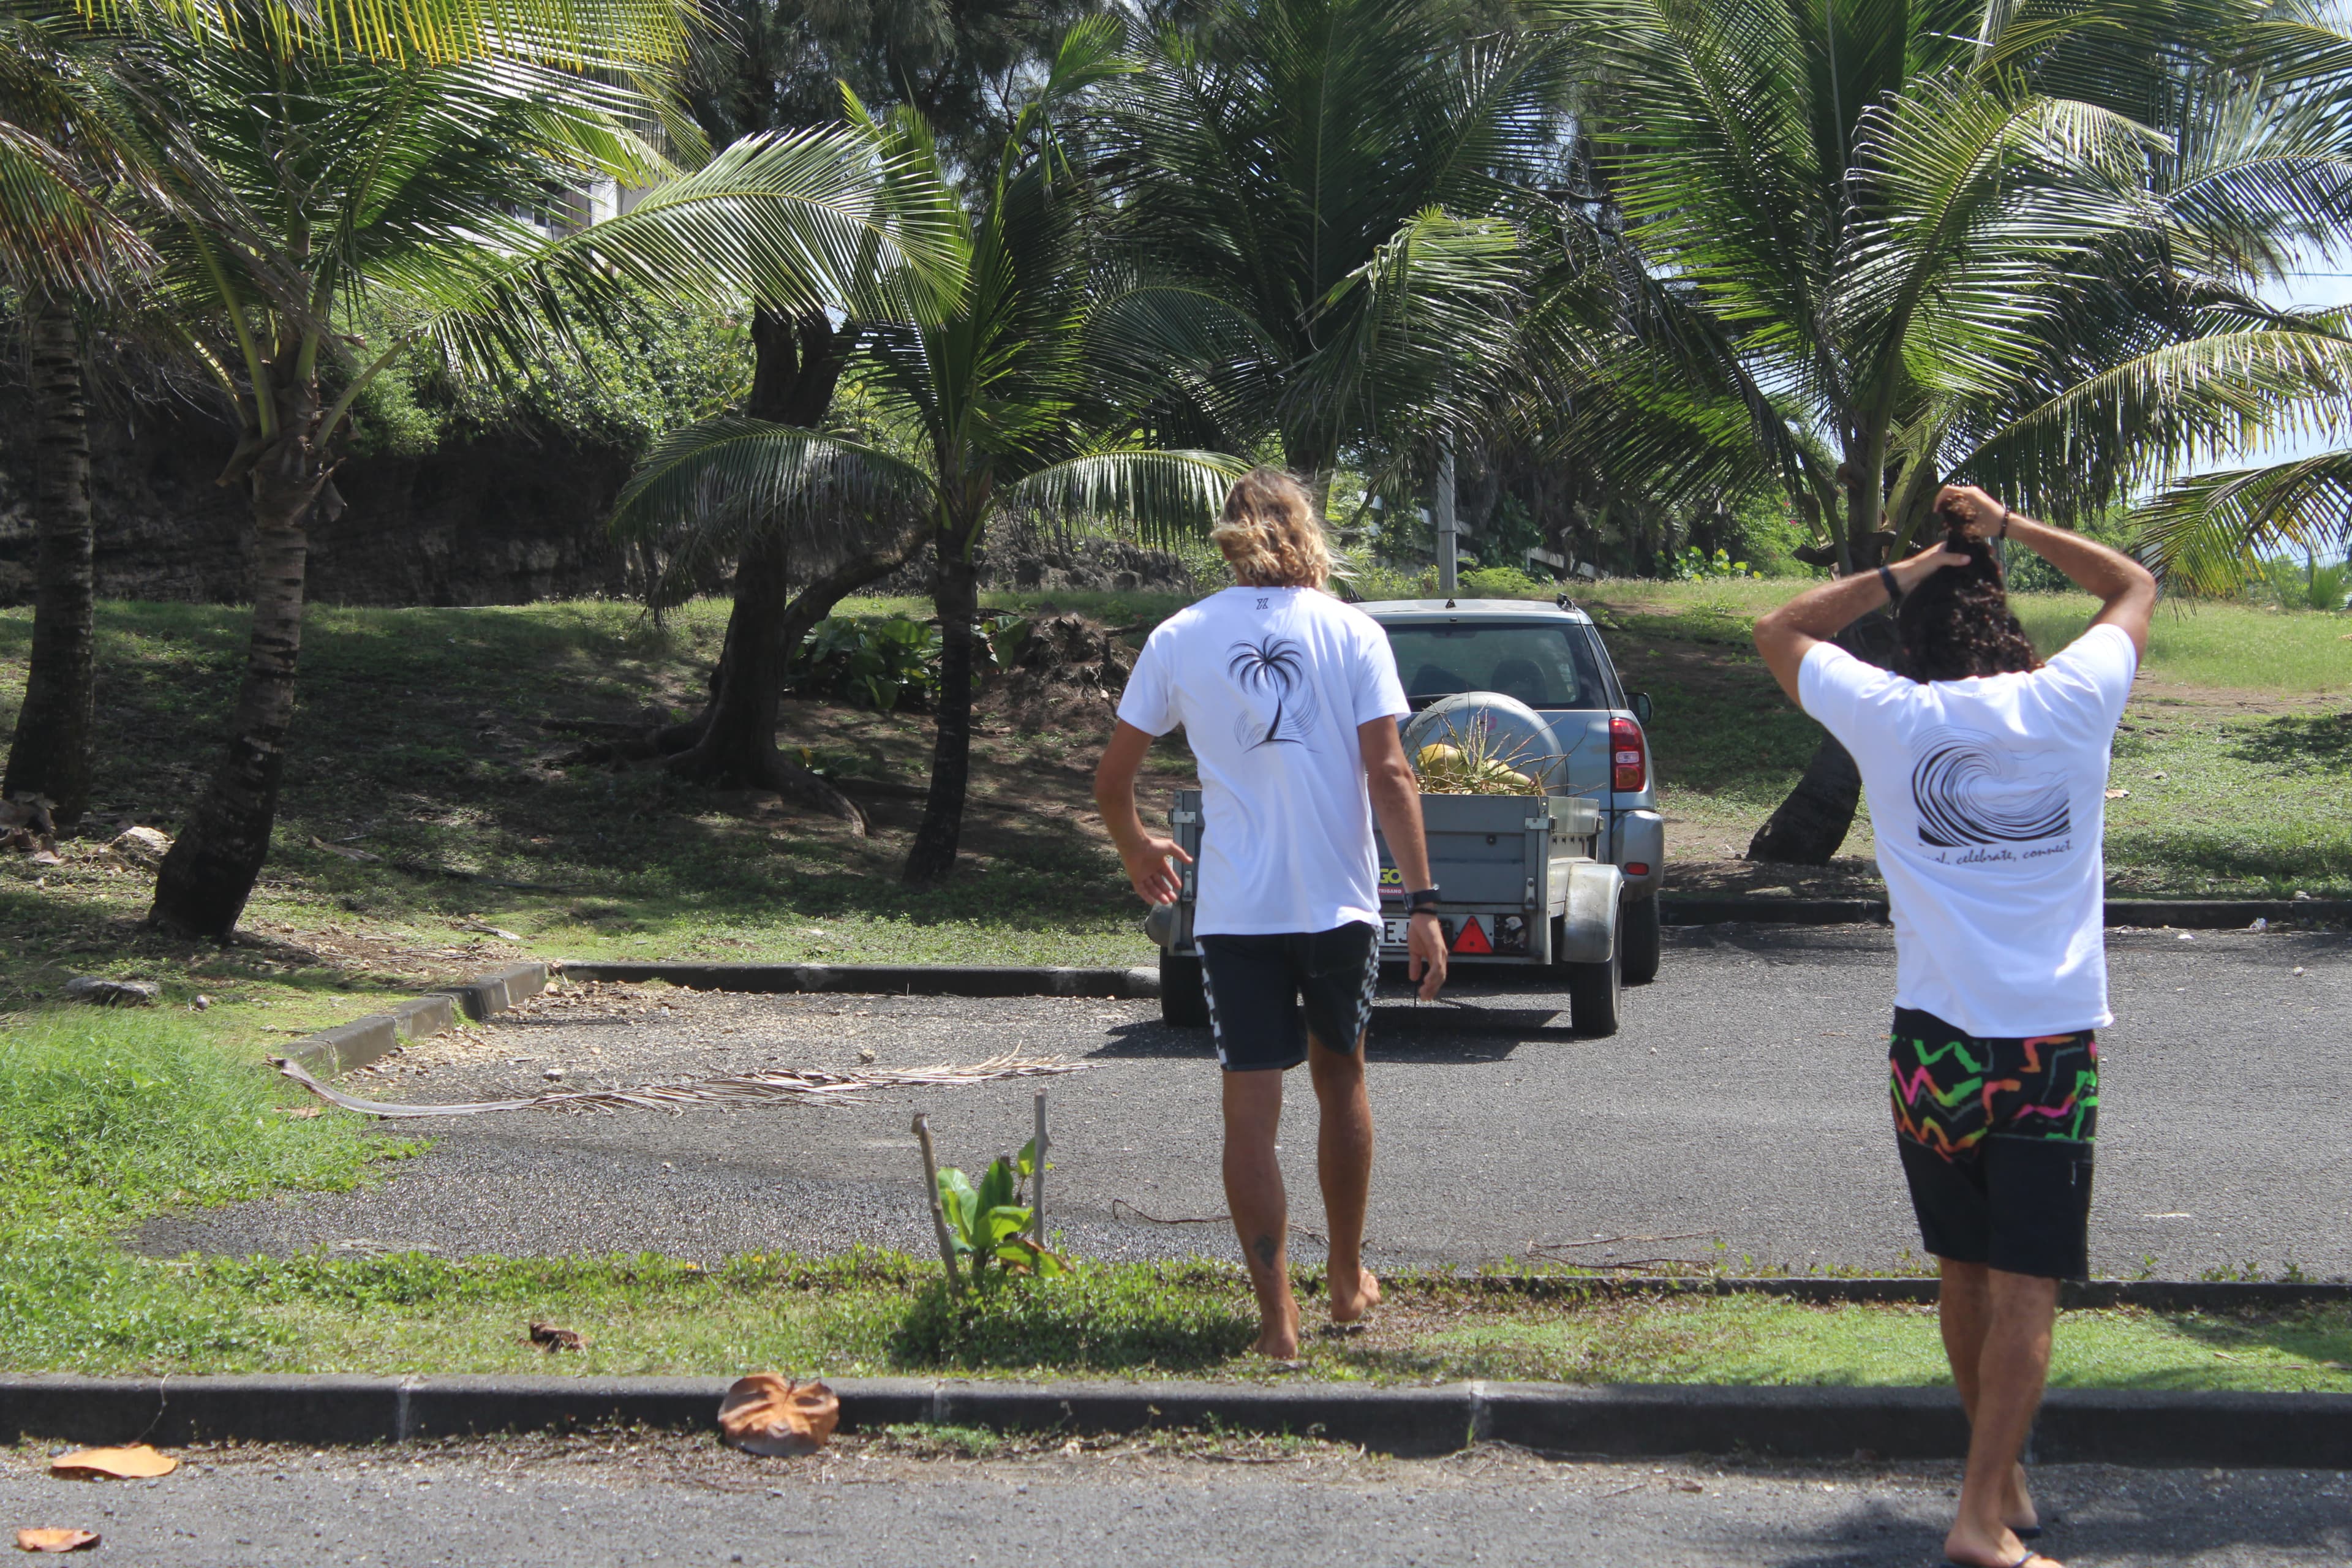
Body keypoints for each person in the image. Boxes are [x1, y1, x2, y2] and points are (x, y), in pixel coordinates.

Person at [1753, 484, 2157, 1568]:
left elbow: (1780, 630)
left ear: (1918, 640)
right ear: (2012, 629)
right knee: (2027, 1283)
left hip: (1931, 1050)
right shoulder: (2075, 699)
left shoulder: (1894, 716)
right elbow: (2132, 584)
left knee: (1964, 1274)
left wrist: (1919, 561)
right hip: (2046, 1047)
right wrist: (2005, 530)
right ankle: (1980, 1519)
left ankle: (2003, 1479)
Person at [1092, 467, 1449, 1360]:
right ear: (1308, 535)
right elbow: (1392, 775)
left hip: (1238, 916)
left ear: (1228, 534)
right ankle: (1345, 1281)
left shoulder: (1181, 636)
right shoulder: (1353, 631)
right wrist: (1427, 903)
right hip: (1340, 906)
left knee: (1249, 1113)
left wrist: (1137, 845)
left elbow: (1113, 777)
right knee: (1343, 1081)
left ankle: (1276, 1323)